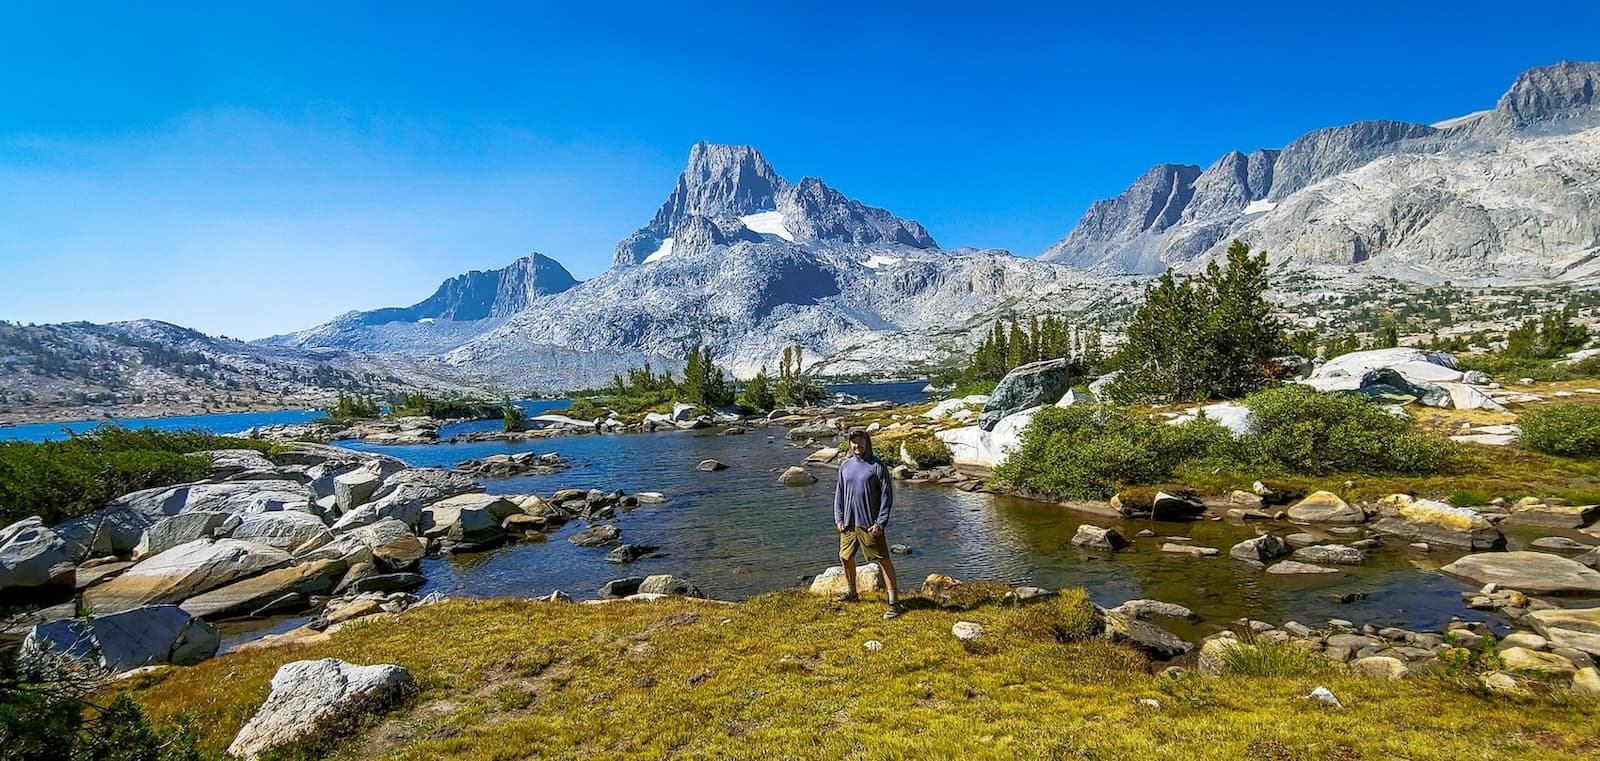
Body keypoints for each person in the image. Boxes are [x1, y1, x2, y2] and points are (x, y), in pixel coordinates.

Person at [832, 429, 901, 619]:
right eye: (853, 442)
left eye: (860, 442)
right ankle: (852, 592)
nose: (857, 446)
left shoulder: (877, 466)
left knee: (883, 560)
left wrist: (880, 522)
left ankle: (894, 603)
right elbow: (839, 494)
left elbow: (887, 497)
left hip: (870, 524)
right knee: (845, 558)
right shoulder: (845, 466)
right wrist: (838, 518)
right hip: (848, 524)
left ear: (867, 443)